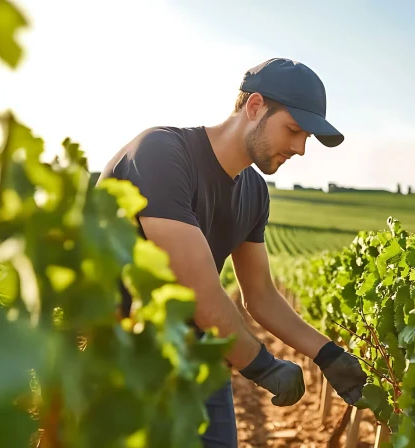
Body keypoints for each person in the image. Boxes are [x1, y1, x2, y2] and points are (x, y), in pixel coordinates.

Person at [97, 58, 368, 447]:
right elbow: (200, 297)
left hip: (200, 360)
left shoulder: (254, 192)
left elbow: (260, 295)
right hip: (121, 358)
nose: (300, 148)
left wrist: (327, 355)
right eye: (294, 130)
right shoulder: (160, 154)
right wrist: (263, 365)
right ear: (254, 106)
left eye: (306, 137)